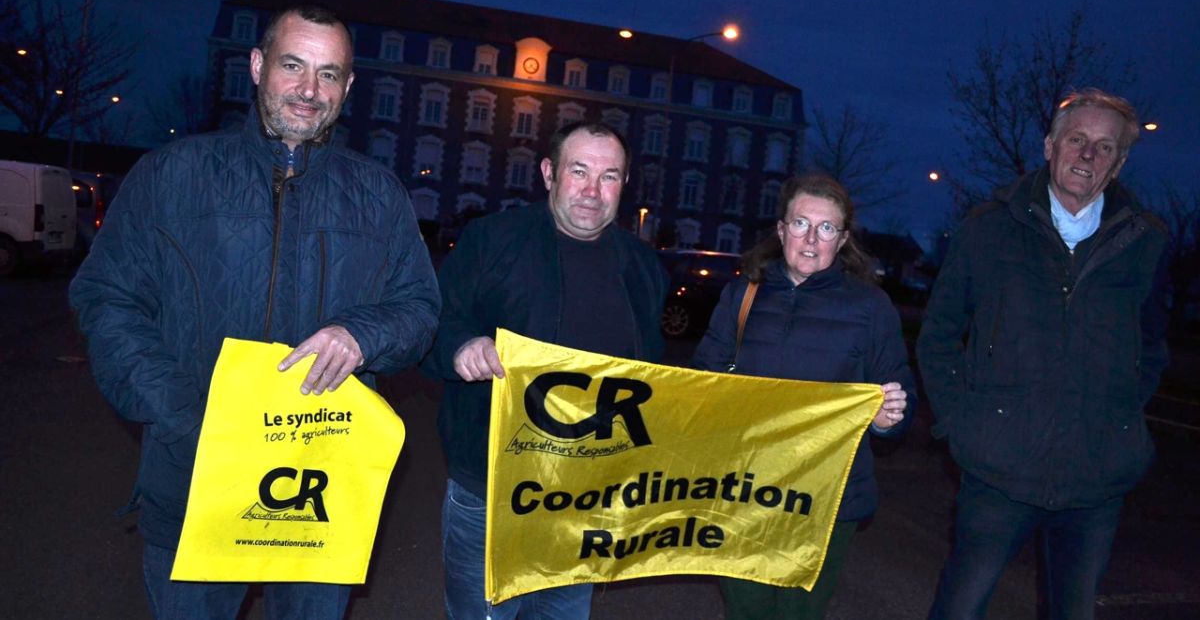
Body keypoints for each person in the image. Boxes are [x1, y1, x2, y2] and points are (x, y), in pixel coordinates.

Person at [69, 4, 441, 619]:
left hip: (320, 496)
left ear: (348, 86)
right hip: (195, 483)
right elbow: (108, 299)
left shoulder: (379, 195)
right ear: (257, 65)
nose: (309, 89)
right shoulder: (173, 175)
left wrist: (362, 334)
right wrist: (185, 416)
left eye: (328, 74)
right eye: (293, 66)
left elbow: (420, 308)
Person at [918, 88, 1171, 619]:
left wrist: (1119, 418)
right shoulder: (989, 228)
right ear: (1050, 146)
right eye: (1076, 140)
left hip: (1095, 478)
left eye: (1105, 147)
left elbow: (1151, 346)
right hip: (998, 471)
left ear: (1119, 164)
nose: (1087, 154)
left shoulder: (1144, 242)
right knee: (959, 609)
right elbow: (939, 334)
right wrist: (963, 423)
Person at [421, 120, 668, 619]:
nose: (593, 190)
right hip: (491, 492)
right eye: (579, 171)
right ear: (549, 173)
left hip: (586, 500)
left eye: (609, 176)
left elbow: (654, 377)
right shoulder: (492, 240)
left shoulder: (643, 267)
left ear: (624, 184)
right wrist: (462, 346)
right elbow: (430, 324)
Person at [691, 173, 913, 619]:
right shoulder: (742, 295)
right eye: (800, 224)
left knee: (798, 614)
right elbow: (702, 382)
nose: (811, 239)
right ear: (781, 230)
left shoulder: (869, 308)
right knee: (746, 610)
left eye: (826, 228)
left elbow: (898, 394)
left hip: (827, 499)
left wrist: (888, 419)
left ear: (843, 239)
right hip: (744, 492)